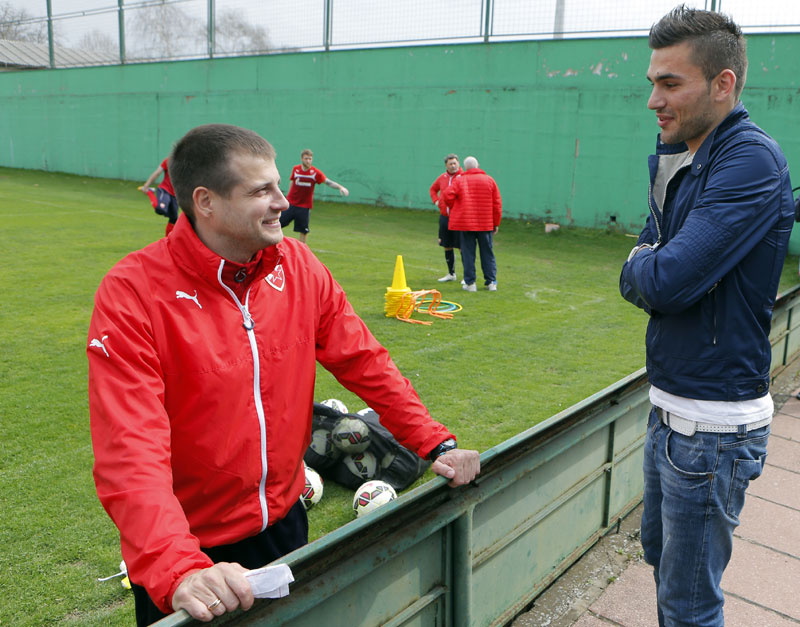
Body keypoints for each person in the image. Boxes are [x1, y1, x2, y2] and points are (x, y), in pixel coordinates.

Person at [87, 124, 480, 626]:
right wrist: (175, 565)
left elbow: (364, 360)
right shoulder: (132, 292)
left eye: (278, 185)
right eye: (261, 191)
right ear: (205, 202)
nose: (283, 201)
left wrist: (435, 444)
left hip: (286, 524)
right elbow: (130, 446)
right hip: (193, 551)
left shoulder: (297, 264)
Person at [619, 6, 794, 626]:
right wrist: (650, 263)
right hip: (670, 406)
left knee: (689, 605)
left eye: (671, 84)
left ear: (723, 84)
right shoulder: (677, 152)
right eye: (652, 83)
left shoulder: (748, 162)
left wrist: (647, 264)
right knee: (661, 559)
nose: (654, 102)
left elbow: (661, 278)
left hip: (712, 427)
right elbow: (651, 259)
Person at [442, 156, 502, 292]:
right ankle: (491, 282)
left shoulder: (459, 181)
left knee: (468, 253)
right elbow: (497, 204)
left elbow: (447, 195)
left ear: (465, 166)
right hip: (485, 223)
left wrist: (455, 206)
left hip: (466, 224)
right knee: (487, 252)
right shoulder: (489, 180)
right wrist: (496, 223)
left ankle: (470, 284)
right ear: (478, 165)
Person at [280, 148, 349, 243]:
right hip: (291, 203)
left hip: (304, 206)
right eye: (306, 158)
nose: (308, 161)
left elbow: (328, 182)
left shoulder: (315, 173)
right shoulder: (296, 169)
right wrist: (288, 196)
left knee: (303, 231)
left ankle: (302, 251)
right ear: (302, 159)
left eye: (310, 159)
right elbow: (292, 182)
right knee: (278, 224)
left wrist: (340, 187)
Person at [428, 153, 463, 282]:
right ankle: (451, 274)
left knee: (461, 246)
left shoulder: (463, 177)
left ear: (458, 164)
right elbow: (433, 189)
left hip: (459, 218)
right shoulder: (442, 178)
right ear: (446, 166)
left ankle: (468, 277)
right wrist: (436, 201)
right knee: (447, 245)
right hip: (444, 217)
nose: (453, 166)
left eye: (455, 163)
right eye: (450, 164)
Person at [140, 157, 179, 236]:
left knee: (174, 219)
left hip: (175, 195)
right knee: (160, 209)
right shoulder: (169, 161)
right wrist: (146, 185)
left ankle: (168, 240)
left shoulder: (187, 164)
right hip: (165, 190)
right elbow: (157, 173)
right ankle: (150, 192)